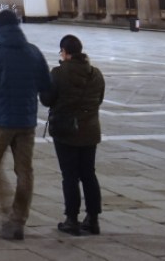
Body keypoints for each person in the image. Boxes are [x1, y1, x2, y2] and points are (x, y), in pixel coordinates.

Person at [0, 9, 51, 241]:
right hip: (26, 121)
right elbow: (46, 86)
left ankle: (4, 210)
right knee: (25, 171)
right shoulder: (33, 52)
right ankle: (19, 219)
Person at [40, 34, 105, 236]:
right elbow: (99, 99)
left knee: (70, 176)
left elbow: (47, 99)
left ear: (65, 52)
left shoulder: (59, 73)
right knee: (88, 174)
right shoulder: (96, 73)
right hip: (90, 131)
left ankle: (71, 219)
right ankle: (93, 219)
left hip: (66, 130)